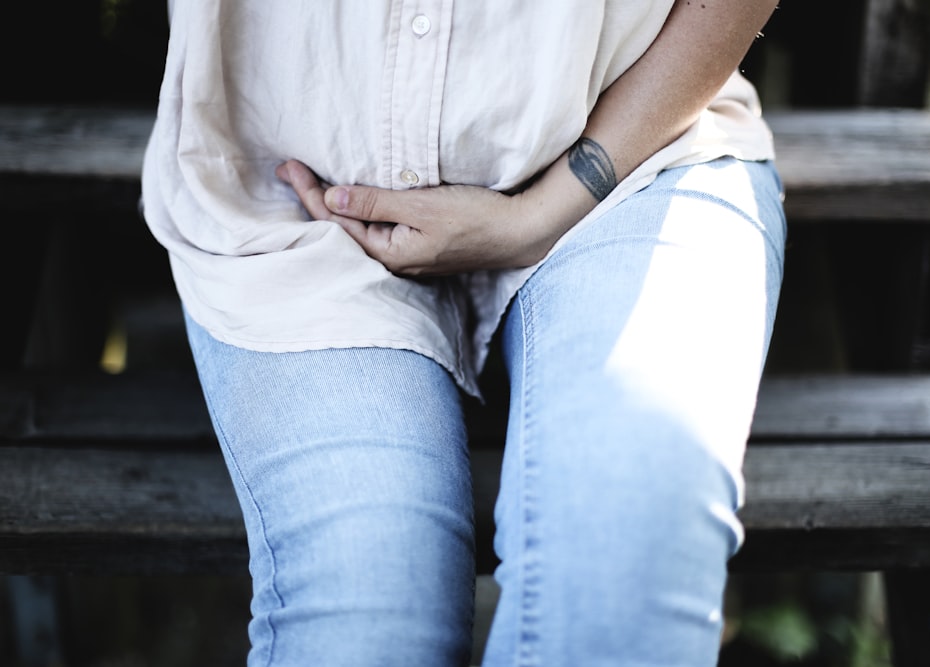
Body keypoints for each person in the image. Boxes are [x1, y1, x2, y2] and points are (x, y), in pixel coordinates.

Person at [141, 1, 786, 665]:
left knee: (625, 558)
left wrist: (546, 208)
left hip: (639, 151)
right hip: (297, 209)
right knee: (365, 624)